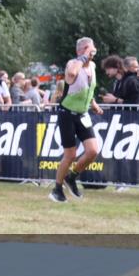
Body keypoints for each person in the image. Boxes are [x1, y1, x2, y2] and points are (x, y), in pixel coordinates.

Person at [50, 37, 104, 203]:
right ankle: (57, 189)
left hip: (82, 114)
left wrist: (93, 104)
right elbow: (72, 75)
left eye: (93, 49)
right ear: (81, 50)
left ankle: (71, 177)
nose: (93, 52)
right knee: (70, 155)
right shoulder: (72, 64)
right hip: (67, 113)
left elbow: (89, 88)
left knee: (93, 151)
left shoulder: (92, 66)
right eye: (90, 49)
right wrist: (83, 56)